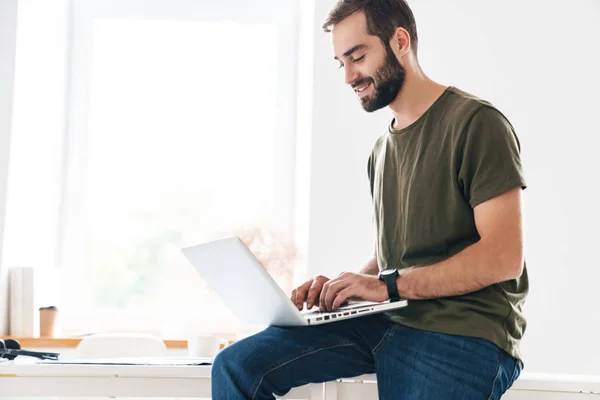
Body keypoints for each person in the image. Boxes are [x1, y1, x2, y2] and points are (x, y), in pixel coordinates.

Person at [212, 0, 527, 398]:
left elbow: (503, 256)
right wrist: (347, 291)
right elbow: (396, 256)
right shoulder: (382, 150)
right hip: (389, 319)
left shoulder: (477, 124)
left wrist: (389, 286)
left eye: (357, 57)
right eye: (340, 62)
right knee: (237, 367)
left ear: (399, 41)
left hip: (462, 331)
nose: (348, 76)